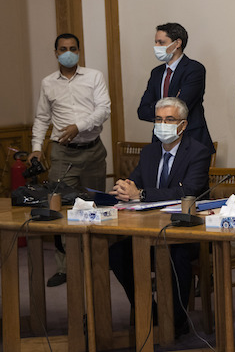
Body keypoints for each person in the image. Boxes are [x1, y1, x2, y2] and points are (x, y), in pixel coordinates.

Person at [108, 97, 210, 338]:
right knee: (117, 253)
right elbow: (134, 183)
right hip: (147, 231)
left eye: (169, 120)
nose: (162, 124)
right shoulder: (149, 152)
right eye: (158, 120)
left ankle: (176, 319)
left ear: (183, 125)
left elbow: (189, 192)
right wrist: (125, 188)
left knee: (176, 254)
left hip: (185, 234)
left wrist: (141, 194)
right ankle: (149, 309)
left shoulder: (198, 152)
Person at [31, 33, 111, 287]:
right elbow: (42, 118)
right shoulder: (47, 83)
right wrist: (35, 147)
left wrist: (79, 126)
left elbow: (104, 109)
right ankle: (65, 267)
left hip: (92, 151)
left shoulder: (94, 76)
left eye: (73, 49)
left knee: (94, 205)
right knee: (60, 207)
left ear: (79, 51)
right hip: (62, 152)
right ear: (55, 53)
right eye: (63, 49)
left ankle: (95, 259)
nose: (68, 52)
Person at [138, 22, 215, 155]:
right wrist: (170, 102)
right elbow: (142, 111)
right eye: (155, 42)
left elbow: (181, 107)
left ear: (177, 43)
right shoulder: (156, 73)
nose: (156, 47)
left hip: (190, 138)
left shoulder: (194, 69)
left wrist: (156, 107)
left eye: (161, 43)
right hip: (160, 142)